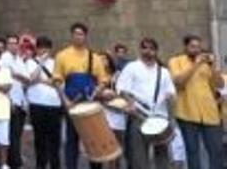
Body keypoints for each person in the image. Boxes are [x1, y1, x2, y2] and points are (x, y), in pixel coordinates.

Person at [53, 22, 111, 169]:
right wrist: (65, 100)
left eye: (81, 34)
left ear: (86, 36)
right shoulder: (62, 56)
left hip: (90, 104)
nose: (78, 37)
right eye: (76, 34)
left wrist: (98, 90)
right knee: (71, 141)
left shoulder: (95, 57)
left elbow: (103, 80)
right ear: (72, 35)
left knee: (93, 140)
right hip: (71, 104)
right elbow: (57, 81)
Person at [117, 38, 175, 169]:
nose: (148, 51)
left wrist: (169, 96)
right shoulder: (132, 67)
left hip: (160, 117)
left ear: (156, 51)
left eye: (151, 48)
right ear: (140, 49)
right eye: (145, 48)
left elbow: (171, 91)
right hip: (138, 115)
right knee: (139, 156)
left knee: (162, 156)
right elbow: (121, 89)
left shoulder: (163, 71)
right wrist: (130, 102)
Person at [169, 34, 223, 169]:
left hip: (210, 113)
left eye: (199, 47)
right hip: (187, 112)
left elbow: (220, 85)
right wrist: (197, 64)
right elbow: (179, 82)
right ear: (186, 47)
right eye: (193, 47)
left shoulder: (207, 64)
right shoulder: (176, 61)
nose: (197, 50)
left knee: (216, 150)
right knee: (192, 152)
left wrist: (213, 67)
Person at [26, 36, 62, 169]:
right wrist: (40, 63)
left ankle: (55, 165)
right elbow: (30, 79)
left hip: (54, 105)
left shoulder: (56, 63)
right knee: (40, 138)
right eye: (41, 48)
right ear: (37, 49)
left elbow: (59, 83)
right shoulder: (30, 62)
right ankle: (40, 165)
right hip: (37, 104)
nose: (43, 51)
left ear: (50, 49)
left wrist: (42, 80)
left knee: (54, 139)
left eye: (46, 48)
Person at [1, 34, 34, 169]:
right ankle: (14, 163)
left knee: (17, 133)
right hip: (10, 101)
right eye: (10, 43)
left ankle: (14, 160)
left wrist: (16, 75)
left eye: (15, 43)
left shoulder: (19, 59)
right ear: (7, 45)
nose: (13, 45)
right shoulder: (4, 59)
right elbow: (4, 80)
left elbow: (27, 80)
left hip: (21, 101)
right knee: (12, 134)